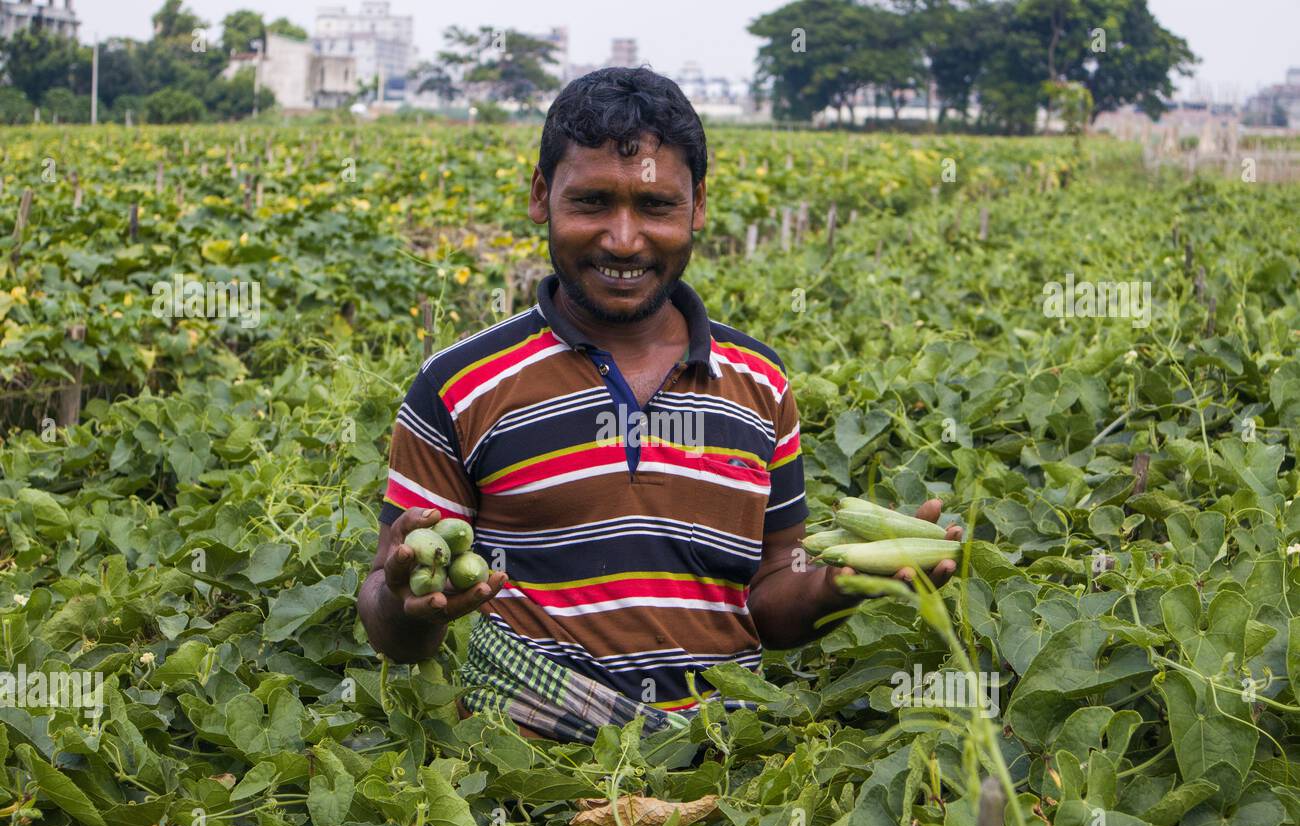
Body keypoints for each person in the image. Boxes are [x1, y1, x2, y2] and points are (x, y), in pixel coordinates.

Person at [357, 66, 962, 743]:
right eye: (591, 202)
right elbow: (392, 620)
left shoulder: (759, 384)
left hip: (725, 770)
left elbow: (770, 599)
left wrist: (838, 586)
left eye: (655, 207)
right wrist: (408, 607)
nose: (623, 239)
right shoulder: (458, 384)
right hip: (521, 775)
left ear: (698, 206)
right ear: (539, 196)